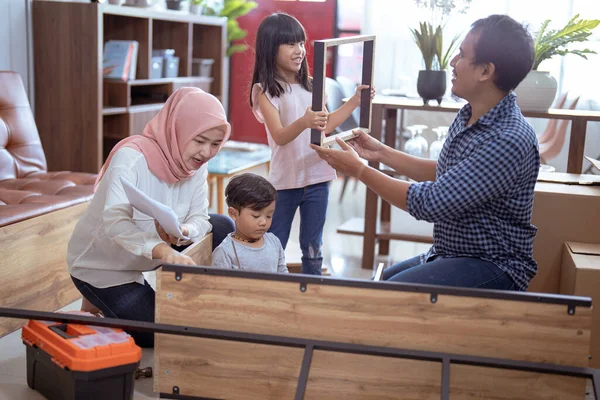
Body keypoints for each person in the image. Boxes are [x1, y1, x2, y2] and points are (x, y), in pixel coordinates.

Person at [312, 15, 540, 291]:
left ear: (485, 71)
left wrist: (359, 170)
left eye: (462, 55)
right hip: (453, 253)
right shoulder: (471, 113)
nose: (453, 63)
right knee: (379, 284)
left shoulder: (507, 139)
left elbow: (430, 203)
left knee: (384, 295)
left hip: (493, 264)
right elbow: (448, 173)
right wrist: (380, 152)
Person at [67, 87, 235, 347]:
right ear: (178, 129)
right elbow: (115, 221)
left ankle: (220, 298)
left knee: (223, 226)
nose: (206, 153)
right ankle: (95, 300)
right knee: (159, 334)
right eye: (199, 141)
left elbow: (200, 217)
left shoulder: (195, 166)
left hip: (148, 257)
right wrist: (159, 249)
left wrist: (184, 232)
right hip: (104, 267)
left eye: (215, 144)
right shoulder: (132, 158)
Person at [250, 12, 374, 275]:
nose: (300, 51)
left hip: (318, 178)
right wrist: (305, 122)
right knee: (275, 241)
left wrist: (354, 101)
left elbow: (325, 126)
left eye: (302, 43)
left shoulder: (313, 86)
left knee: (313, 245)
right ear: (271, 48)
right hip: (285, 182)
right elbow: (281, 136)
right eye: (291, 44)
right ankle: (270, 286)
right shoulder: (266, 91)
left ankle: (312, 290)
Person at [212, 173, 288, 274]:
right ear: (233, 213)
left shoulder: (274, 241)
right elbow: (218, 286)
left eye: (269, 216)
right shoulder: (225, 252)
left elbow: (283, 275)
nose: (263, 222)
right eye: (256, 216)